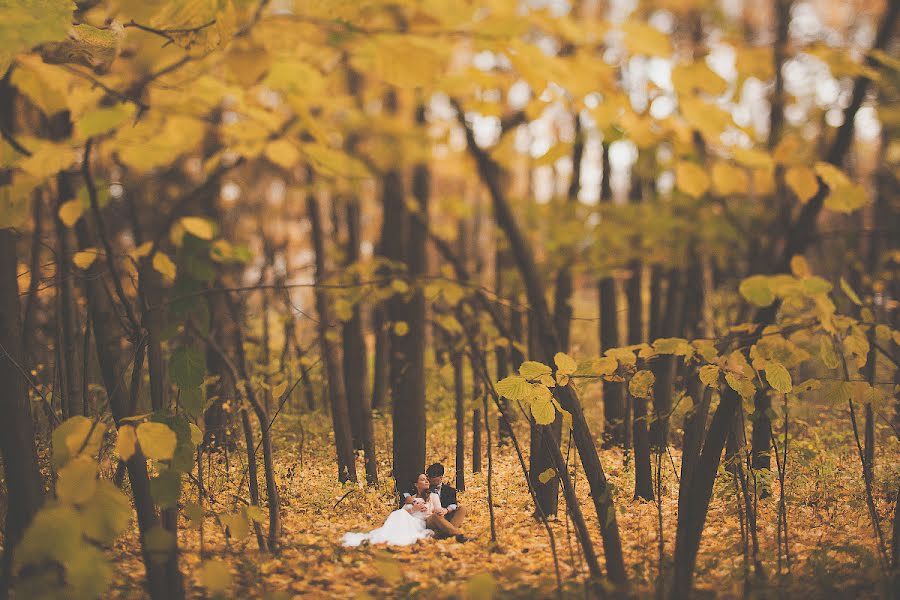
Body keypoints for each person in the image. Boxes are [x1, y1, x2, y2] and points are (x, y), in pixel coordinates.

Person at [341, 474, 464, 546]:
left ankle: (450, 533)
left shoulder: (433, 495)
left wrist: (442, 511)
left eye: (427, 479)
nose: (426, 481)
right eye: (422, 480)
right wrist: (414, 508)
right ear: (416, 484)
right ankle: (457, 535)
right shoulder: (412, 499)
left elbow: (438, 509)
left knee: (447, 513)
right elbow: (403, 513)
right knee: (399, 515)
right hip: (423, 522)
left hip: (433, 518)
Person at [426, 463, 466, 533]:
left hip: (446, 516)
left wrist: (446, 510)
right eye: (429, 476)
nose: (430, 479)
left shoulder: (449, 490)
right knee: (436, 516)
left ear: (441, 477)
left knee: (462, 509)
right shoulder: (425, 489)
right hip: (433, 517)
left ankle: (446, 531)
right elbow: (406, 493)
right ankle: (455, 533)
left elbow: (453, 504)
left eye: (433, 477)